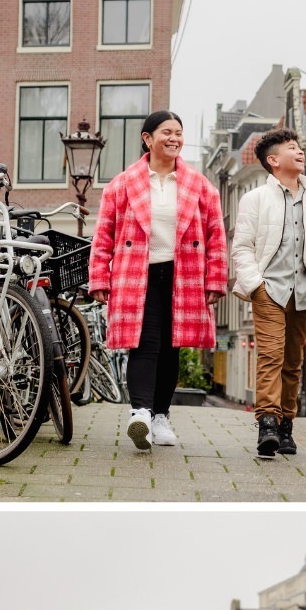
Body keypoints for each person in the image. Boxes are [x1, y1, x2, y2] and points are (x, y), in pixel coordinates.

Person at [87, 110, 228, 451]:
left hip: (184, 275)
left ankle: (161, 416)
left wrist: (215, 282)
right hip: (138, 274)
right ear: (147, 139)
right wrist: (99, 279)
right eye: (167, 132)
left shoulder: (200, 186)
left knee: (172, 347)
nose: (175, 138)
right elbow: (103, 235)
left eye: (178, 132)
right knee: (144, 342)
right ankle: (140, 414)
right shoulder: (122, 185)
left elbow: (215, 236)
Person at [231, 128, 306, 457]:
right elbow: (242, 248)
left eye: (300, 148)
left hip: (305, 289)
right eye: (292, 148)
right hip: (269, 290)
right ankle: (267, 422)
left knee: (294, 361)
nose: (300, 152)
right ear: (273, 160)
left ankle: (286, 426)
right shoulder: (255, 199)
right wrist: (256, 285)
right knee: (270, 356)